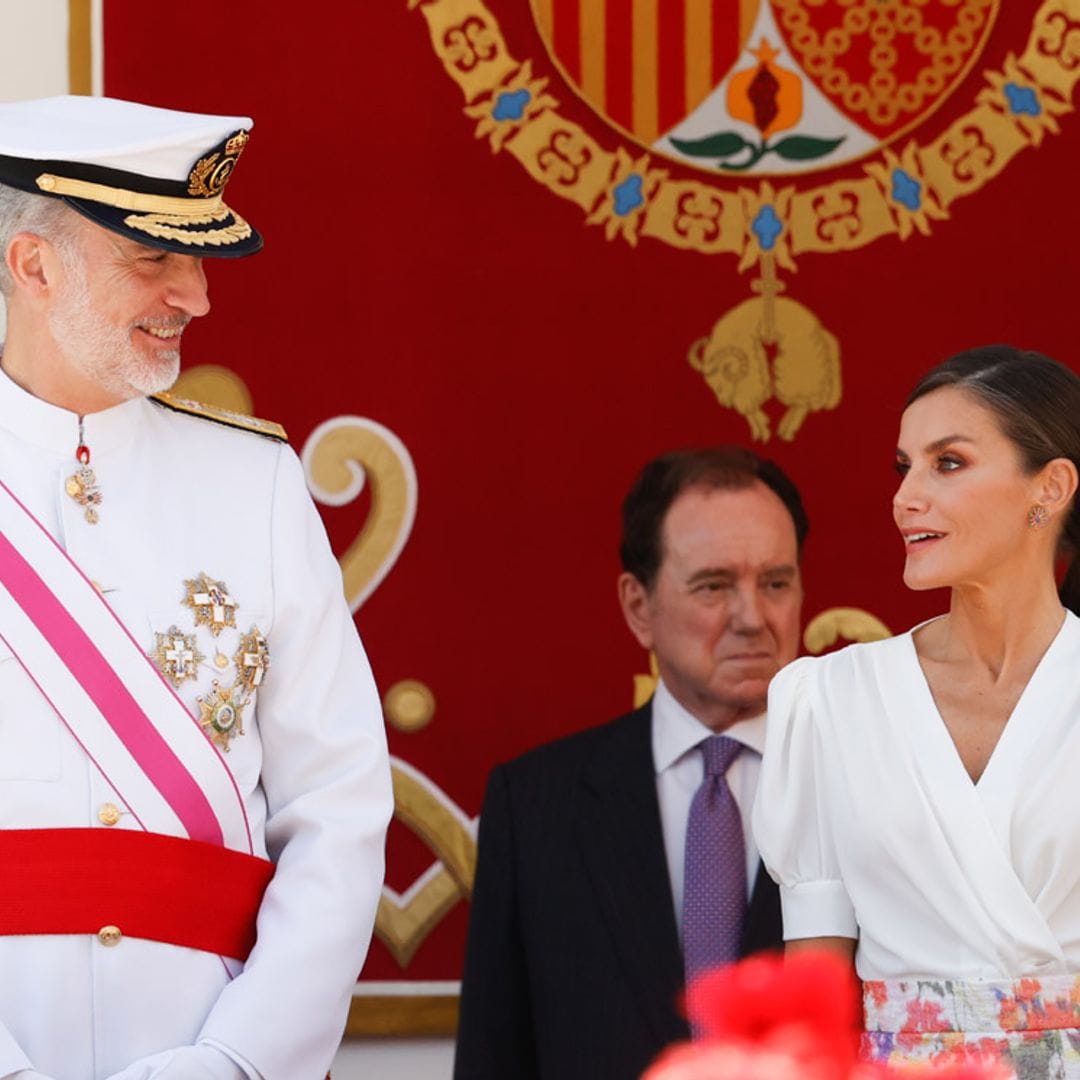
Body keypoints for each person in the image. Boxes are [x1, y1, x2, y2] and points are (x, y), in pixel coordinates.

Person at [0, 96, 393, 1080]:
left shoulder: (255, 483)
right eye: (155, 260)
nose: (198, 298)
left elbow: (337, 812)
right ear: (34, 266)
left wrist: (235, 1063)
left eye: (200, 260)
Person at [753, 345, 1080, 1076]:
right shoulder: (829, 701)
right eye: (905, 467)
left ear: (1050, 487)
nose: (906, 497)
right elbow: (816, 996)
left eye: (949, 463)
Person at [454, 447, 809, 1080]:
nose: (753, 618)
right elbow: (494, 1055)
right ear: (638, 606)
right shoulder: (535, 805)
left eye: (776, 583)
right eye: (714, 586)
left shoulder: (862, 785)